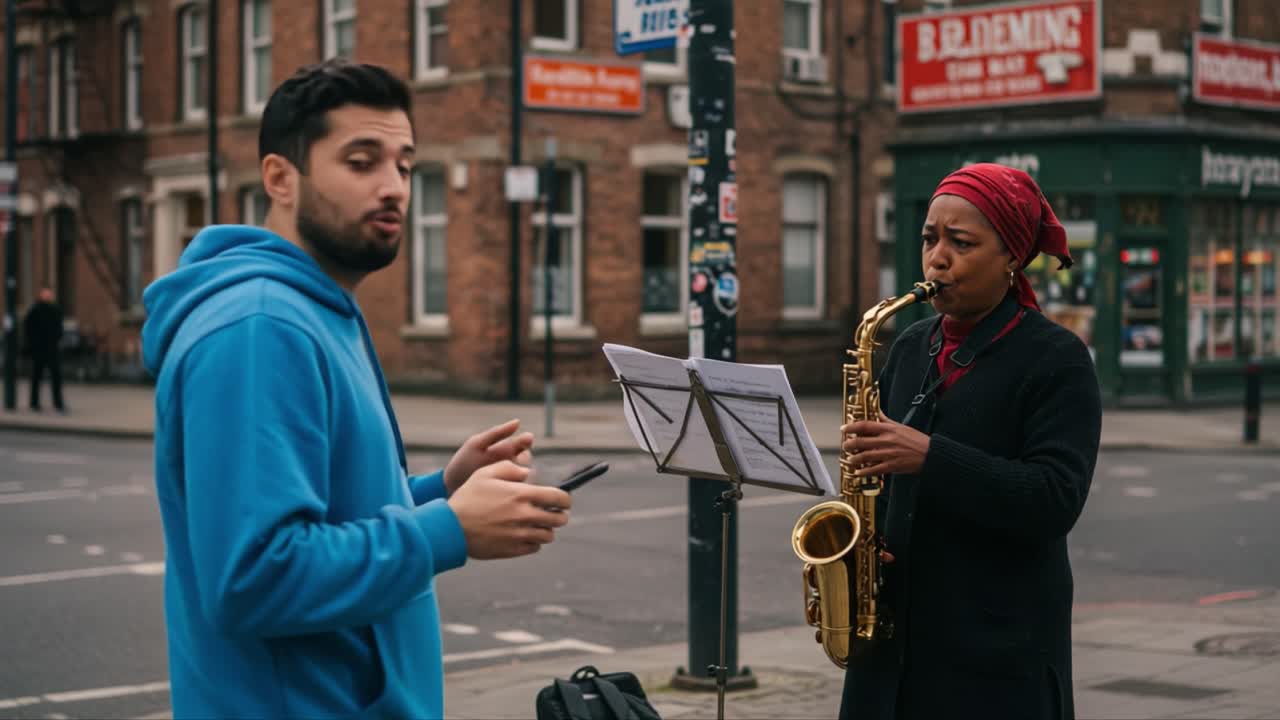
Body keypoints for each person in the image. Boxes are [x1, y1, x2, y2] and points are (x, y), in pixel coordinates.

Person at [141, 59, 573, 719]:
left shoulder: (316, 308)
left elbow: (322, 511)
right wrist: (448, 530)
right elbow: (254, 578)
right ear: (281, 178)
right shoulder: (259, 328)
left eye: (404, 164)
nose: (395, 187)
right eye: (362, 161)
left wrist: (439, 491)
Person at [838, 163, 1102, 720]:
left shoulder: (1057, 358)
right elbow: (880, 474)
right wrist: (866, 539)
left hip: (994, 653)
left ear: (1011, 256)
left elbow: (1055, 499)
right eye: (930, 238)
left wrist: (930, 457)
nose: (937, 258)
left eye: (961, 243)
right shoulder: (909, 345)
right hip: (893, 652)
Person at [24, 287, 65, 413]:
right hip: (40, 349)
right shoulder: (35, 310)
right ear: (41, 296)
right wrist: (33, 344)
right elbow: (28, 328)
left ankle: (58, 403)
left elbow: (59, 327)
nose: (48, 296)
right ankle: (34, 403)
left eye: (49, 294)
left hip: (52, 348)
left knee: (56, 376)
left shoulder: (55, 310)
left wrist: (57, 338)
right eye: (45, 294)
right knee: (37, 376)